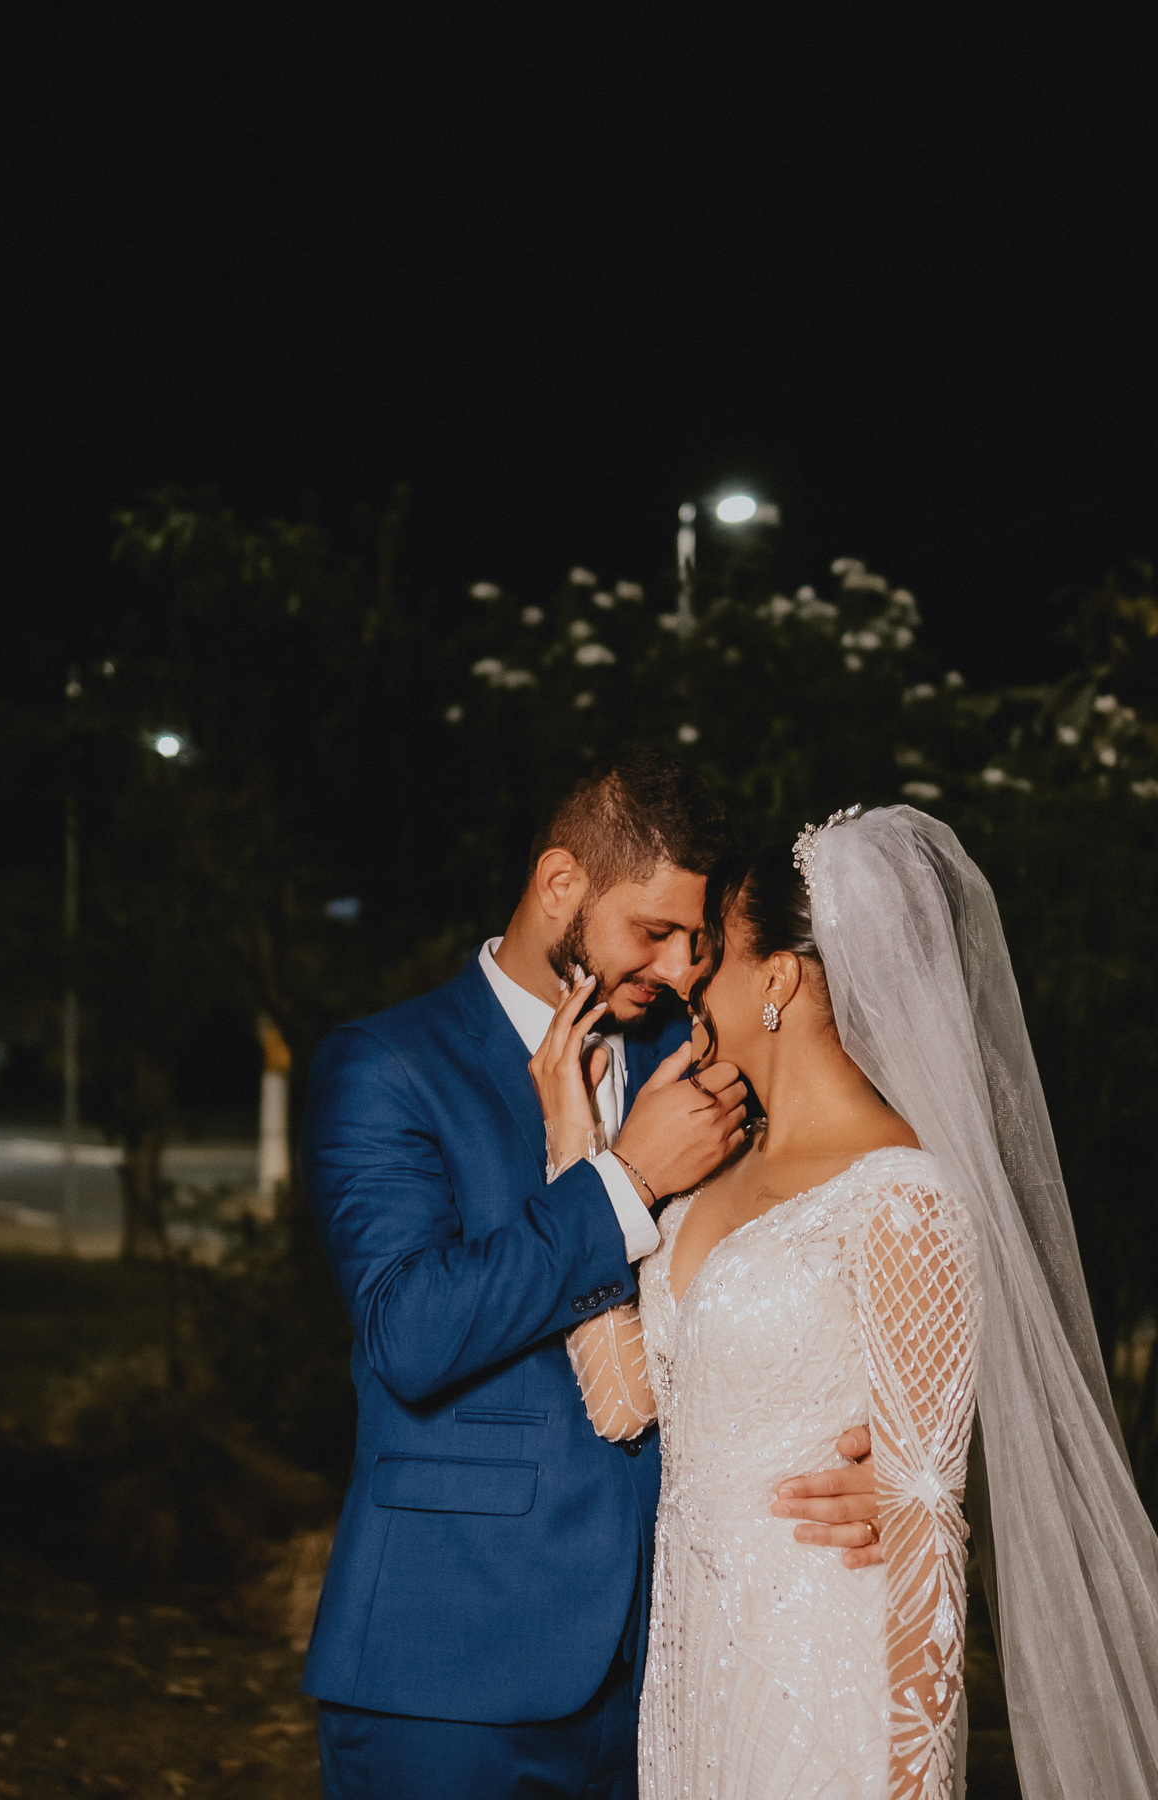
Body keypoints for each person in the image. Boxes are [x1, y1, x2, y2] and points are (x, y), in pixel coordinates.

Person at [540, 804, 1158, 1799]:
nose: (688, 979)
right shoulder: (702, 1181)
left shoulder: (903, 1196)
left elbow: (924, 1527)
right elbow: (623, 1403)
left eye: (713, 955)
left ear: (778, 980)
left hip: (828, 1678)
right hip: (697, 1673)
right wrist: (576, 1149)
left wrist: (915, 1780)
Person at [299, 751, 884, 1800]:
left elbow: (820, 1256)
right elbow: (410, 1334)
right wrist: (625, 1180)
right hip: (452, 1667)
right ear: (560, 882)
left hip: (675, 1671)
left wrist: (888, 1460)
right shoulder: (388, 1066)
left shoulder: (698, 1059)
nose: (679, 968)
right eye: (653, 931)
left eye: (697, 942)